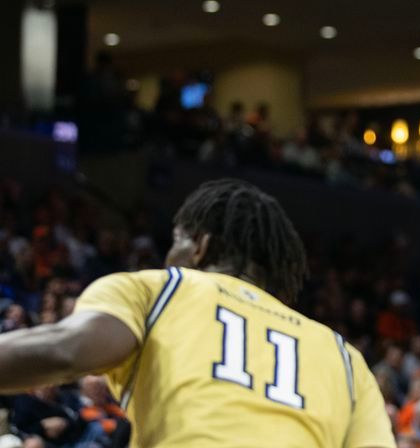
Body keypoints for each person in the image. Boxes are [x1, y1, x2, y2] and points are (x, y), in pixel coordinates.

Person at [0, 178, 394, 447]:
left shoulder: (159, 288)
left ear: (201, 246)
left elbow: (64, 350)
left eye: (176, 241)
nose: (170, 255)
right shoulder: (344, 357)